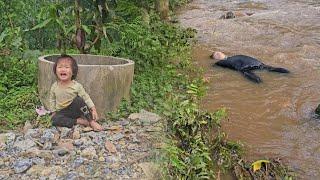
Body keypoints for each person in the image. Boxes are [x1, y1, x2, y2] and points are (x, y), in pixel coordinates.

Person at [49, 54, 103, 131]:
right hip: (62, 112)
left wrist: (93, 109)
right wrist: (53, 112)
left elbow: (86, 97)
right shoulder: (54, 86)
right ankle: (78, 121)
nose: (63, 69)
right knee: (54, 120)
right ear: (55, 71)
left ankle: (91, 121)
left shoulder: (76, 86)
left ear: (73, 72)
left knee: (79, 100)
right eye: (60, 67)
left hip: (74, 110)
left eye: (67, 67)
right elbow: (52, 100)